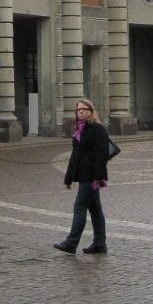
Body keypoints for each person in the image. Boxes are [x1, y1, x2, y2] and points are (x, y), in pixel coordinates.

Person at [54, 98, 110, 255]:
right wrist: (69, 177)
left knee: (79, 207)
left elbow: (102, 155)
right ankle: (99, 244)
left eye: (84, 109)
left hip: (92, 176)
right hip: (83, 175)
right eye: (78, 110)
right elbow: (75, 156)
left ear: (91, 111)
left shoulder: (97, 129)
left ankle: (71, 243)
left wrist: (98, 178)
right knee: (95, 210)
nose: (81, 112)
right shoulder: (79, 130)